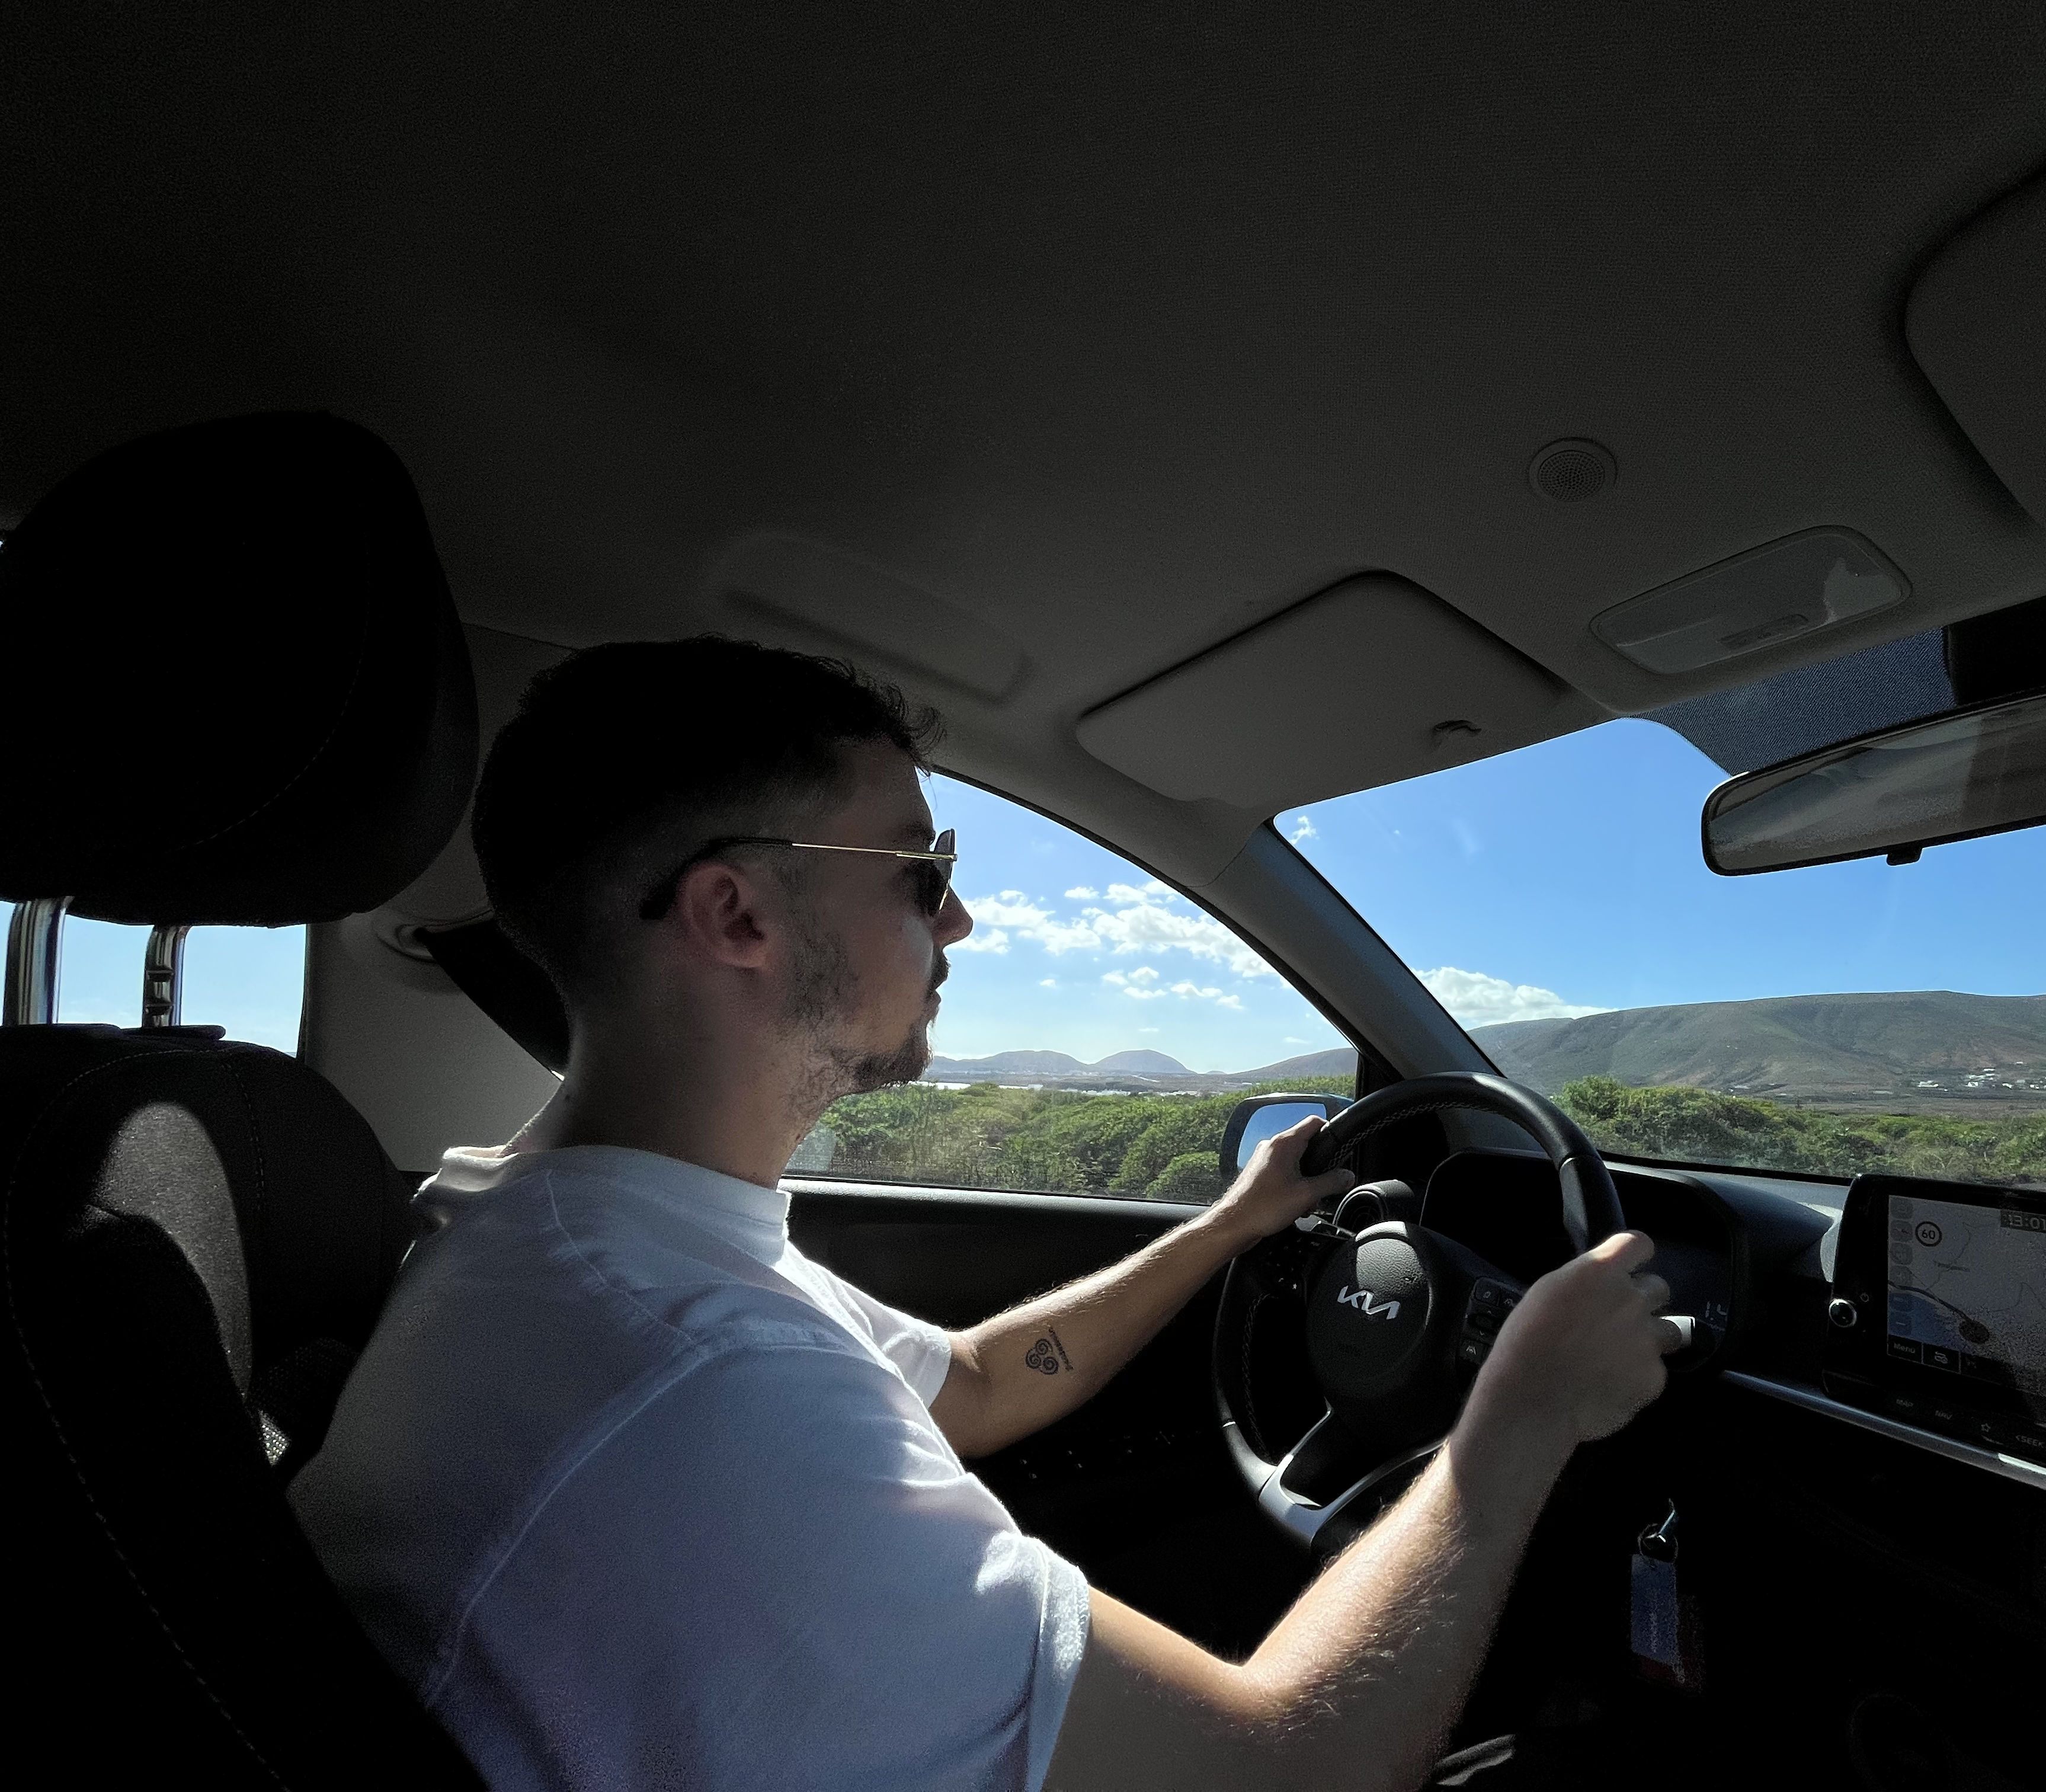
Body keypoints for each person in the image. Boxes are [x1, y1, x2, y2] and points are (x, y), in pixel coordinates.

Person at [295, 638, 1677, 1792]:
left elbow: (973, 1377)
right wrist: (1524, 1413)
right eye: (918, 869)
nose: (957, 922)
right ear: (736, 914)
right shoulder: (708, 1389)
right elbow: (1301, 1770)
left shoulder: (548, 1227)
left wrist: (1228, 1228)